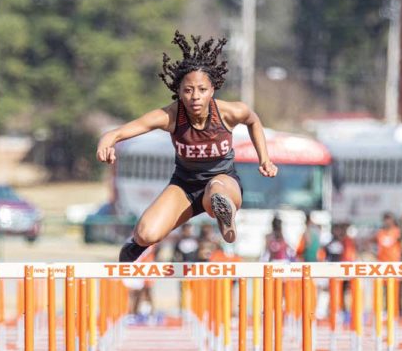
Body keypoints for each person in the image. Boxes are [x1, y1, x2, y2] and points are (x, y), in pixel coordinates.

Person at [97, 31, 278, 262]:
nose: (195, 97)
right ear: (179, 92)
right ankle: (137, 244)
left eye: (202, 90)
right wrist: (106, 142)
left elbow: (253, 120)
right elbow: (119, 132)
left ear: (212, 90)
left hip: (223, 182)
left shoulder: (230, 112)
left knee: (215, 189)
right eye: (188, 90)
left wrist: (264, 158)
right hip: (184, 185)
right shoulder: (171, 116)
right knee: (146, 233)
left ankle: (224, 216)